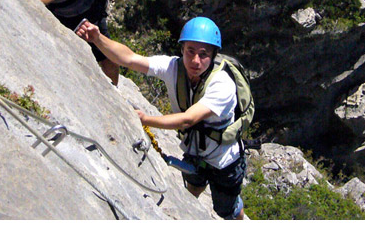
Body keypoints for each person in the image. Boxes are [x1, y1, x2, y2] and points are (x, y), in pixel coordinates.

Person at [75, 16, 247, 220]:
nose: (195, 61)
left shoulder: (222, 84)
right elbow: (130, 59)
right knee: (192, 189)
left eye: (203, 54)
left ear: (213, 55)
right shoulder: (173, 67)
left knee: (227, 210)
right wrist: (97, 39)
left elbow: (188, 120)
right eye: (190, 51)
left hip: (224, 162)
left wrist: (145, 119)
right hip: (194, 152)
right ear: (182, 49)